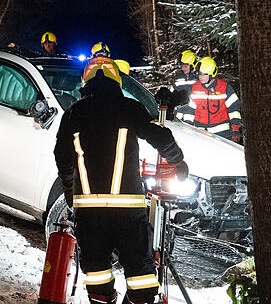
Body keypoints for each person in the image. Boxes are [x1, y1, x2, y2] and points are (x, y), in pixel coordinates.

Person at [54, 65, 188, 304]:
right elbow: (160, 135)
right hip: (128, 210)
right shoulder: (129, 108)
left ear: (86, 83)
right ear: (117, 83)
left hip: (89, 211)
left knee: (97, 274)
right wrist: (178, 161)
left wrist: (69, 191)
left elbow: (62, 157)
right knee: (141, 277)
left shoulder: (73, 113)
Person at [182, 57, 242, 142]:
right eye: (199, 74)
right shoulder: (194, 88)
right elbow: (190, 110)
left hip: (223, 134)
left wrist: (235, 128)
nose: (200, 77)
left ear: (212, 74)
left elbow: (234, 108)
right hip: (200, 132)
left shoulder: (224, 88)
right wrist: (187, 127)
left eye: (204, 74)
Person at [172, 50, 199, 122]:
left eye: (186, 66)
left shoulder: (198, 79)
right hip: (179, 113)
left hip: (194, 114)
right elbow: (172, 94)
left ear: (192, 65)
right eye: (182, 66)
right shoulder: (177, 78)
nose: (183, 68)